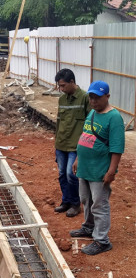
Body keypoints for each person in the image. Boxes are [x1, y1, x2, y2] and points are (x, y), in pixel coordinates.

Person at [70, 81, 125, 255]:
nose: (93, 101)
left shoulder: (114, 118)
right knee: (85, 200)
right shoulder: (92, 113)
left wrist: (111, 171)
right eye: (91, 97)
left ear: (107, 96)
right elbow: (85, 135)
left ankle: (102, 241)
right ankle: (89, 227)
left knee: (99, 204)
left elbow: (117, 148)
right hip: (85, 167)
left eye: (97, 98)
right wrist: (78, 158)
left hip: (99, 170)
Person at [54, 68, 90, 217]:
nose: (61, 89)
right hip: (61, 144)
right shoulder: (62, 100)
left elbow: (89, 125)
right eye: (59, 86)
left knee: (71, 174)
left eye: (63, 86)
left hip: (76, 146)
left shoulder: (85, 98)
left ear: (72, 82)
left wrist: (85, 147)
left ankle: (76, 204)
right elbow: (58, 122)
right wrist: (56, 144)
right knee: (62, 174)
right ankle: (66, 201)